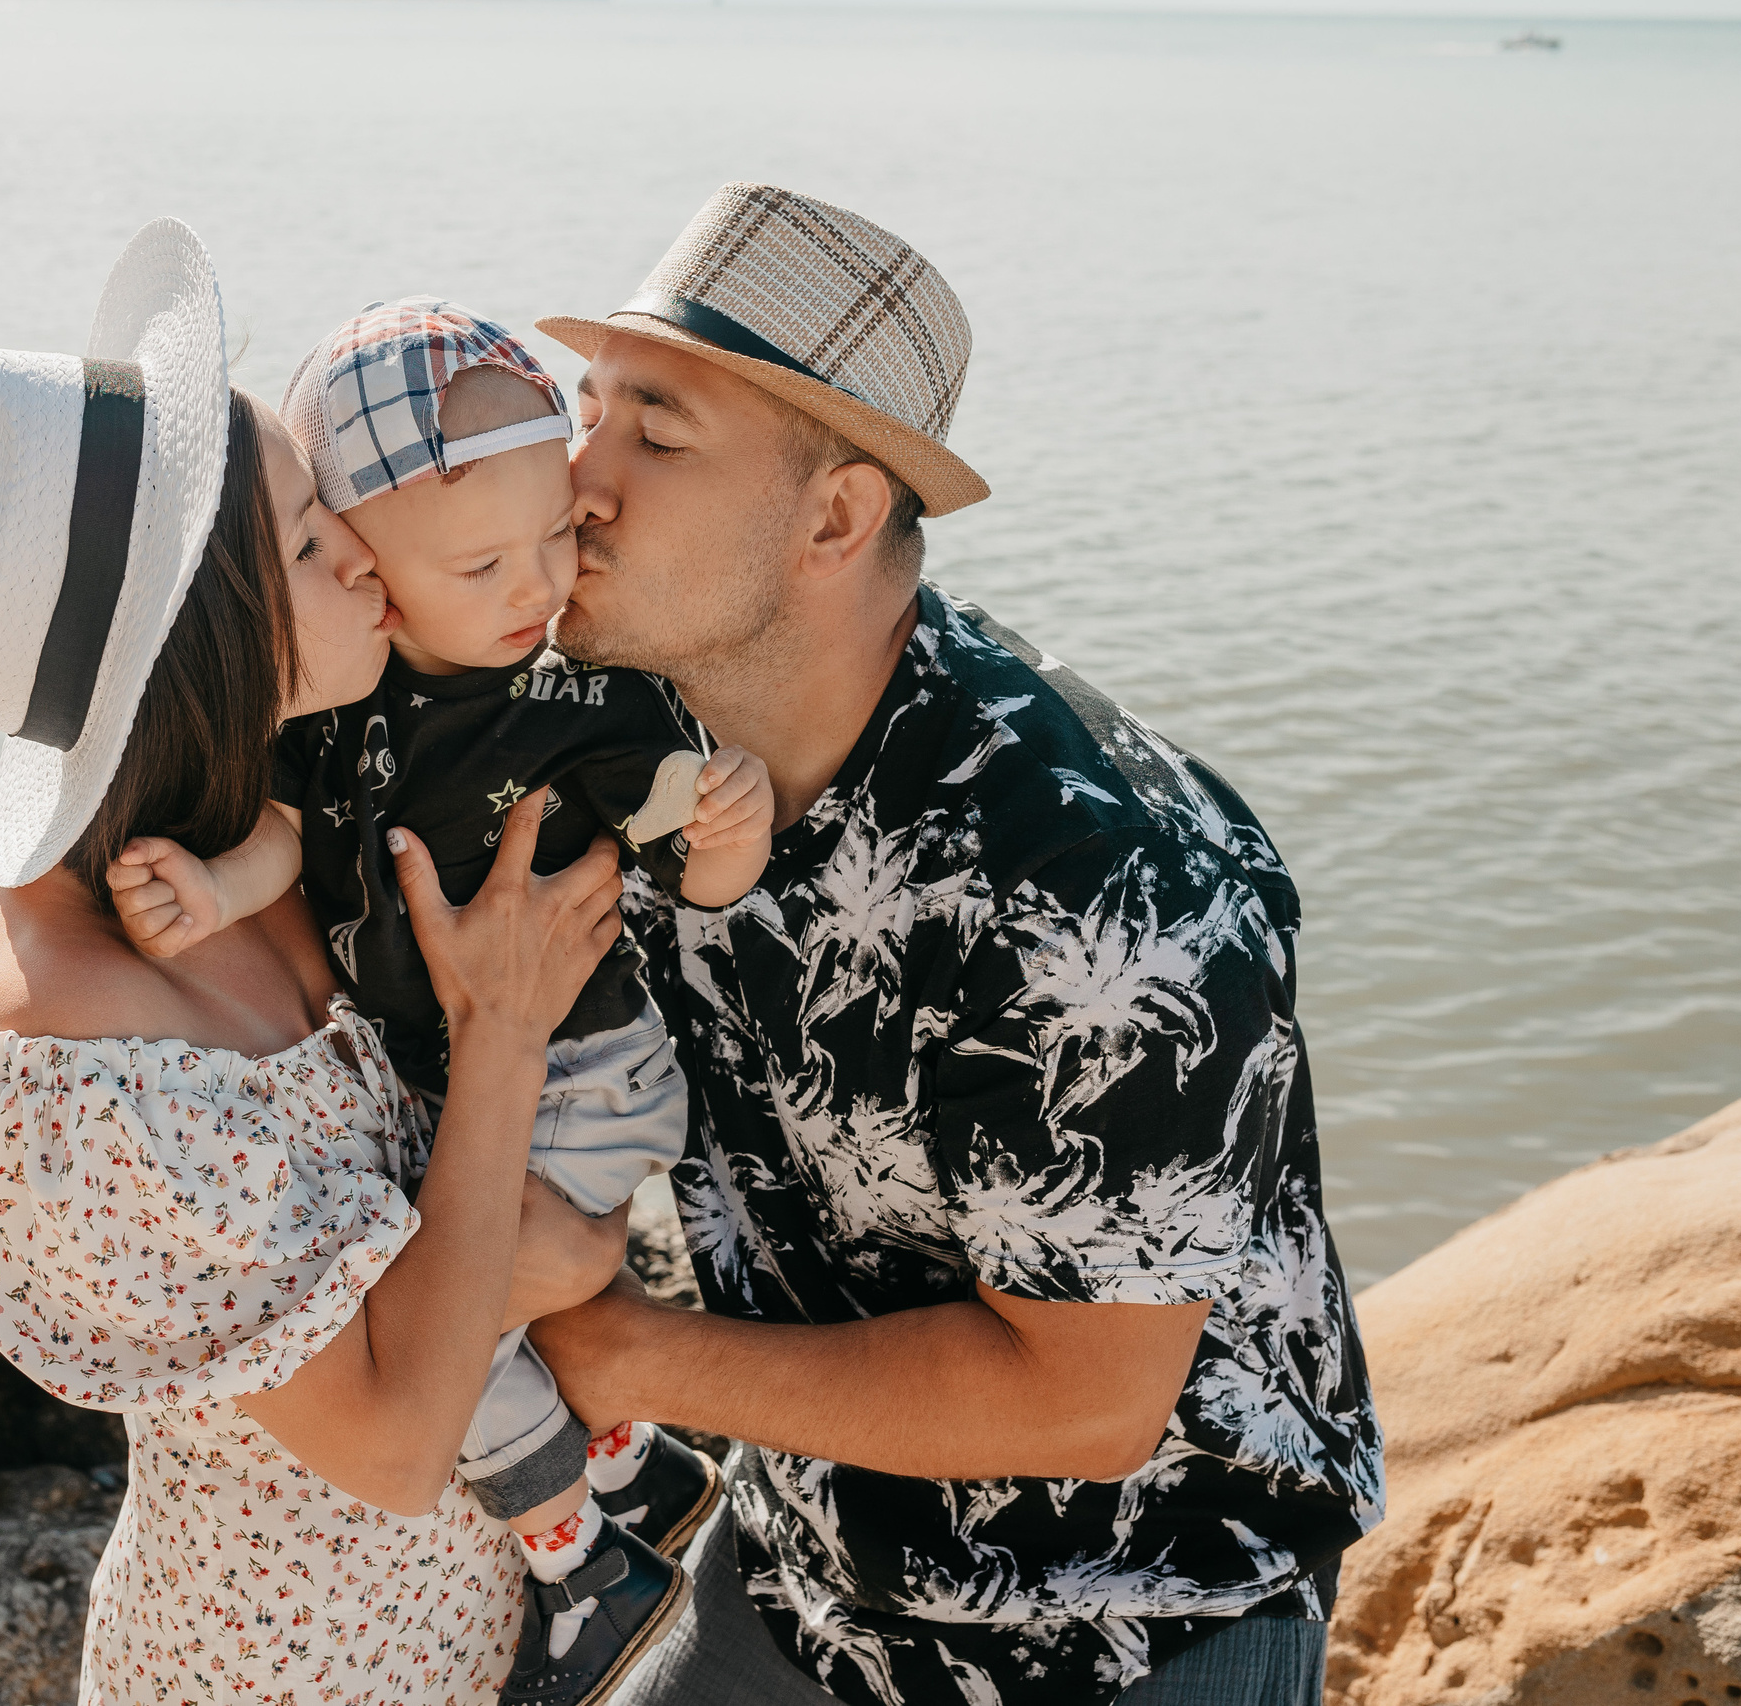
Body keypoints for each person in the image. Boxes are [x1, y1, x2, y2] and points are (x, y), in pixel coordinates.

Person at [514, 183, 1387, 1706]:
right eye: (589, 412)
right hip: (808, 1563)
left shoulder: (1098, 878)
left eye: (656, 437)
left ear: (838, 517)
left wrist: (635, 1355)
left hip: (1129, 1623)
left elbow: (1083, 1405)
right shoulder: (634, 721)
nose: (576, 479)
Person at [0, 220, 629, 1705]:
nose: (359, 550)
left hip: (471, 1640)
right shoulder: (74, 1062)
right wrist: (509, 1033)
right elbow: (401, 1437)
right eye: (302, 536)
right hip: (286, 1672)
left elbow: (474, 1262)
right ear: (201, 633)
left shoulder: (256, 839)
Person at [100, 298, 775, 1706]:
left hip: (589, 1069)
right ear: (366, 566)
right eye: (481, 561)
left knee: (450, 1323)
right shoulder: (337, 702)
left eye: (557, 540)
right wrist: (223, 890)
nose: (535, 583)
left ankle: (584, 1563)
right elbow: (292, 835)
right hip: (467, 1071)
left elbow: (690, 845)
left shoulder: (572, 699)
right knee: (466, 1298)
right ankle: (626, 1478)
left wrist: (726, 825)